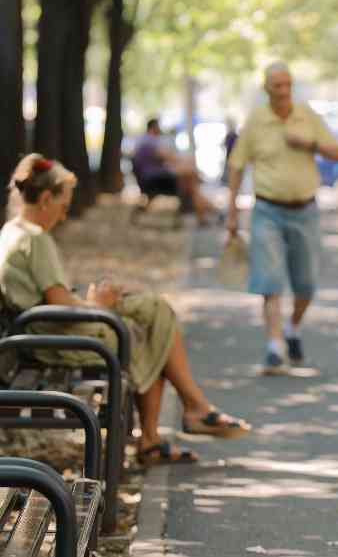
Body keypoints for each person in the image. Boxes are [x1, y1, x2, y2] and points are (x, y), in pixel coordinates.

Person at [0, 154, 251, 465]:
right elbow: (58, 301)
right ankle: (180, 418)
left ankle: (177, 421)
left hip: (43, 333)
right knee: (150, 328)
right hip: (56, 339)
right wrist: (96, 304)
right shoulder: (35, 239)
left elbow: (53, 297)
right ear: (46, 198)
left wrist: (97, 301)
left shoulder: (12, 231)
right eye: (64, 207)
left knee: (153, 314)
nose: (64, 216)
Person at [225, 61, 338, 375]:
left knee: (305, 286)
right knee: (270, 281)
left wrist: (308, 144)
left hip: (305, 211)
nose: (283, 91)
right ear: (266, 88)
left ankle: (292, 329)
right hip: (267, 211)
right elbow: (237, 165)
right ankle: (274, 346)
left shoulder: (306, 115)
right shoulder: (256, 120)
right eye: (277, 85)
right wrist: (232, 212)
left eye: (287, 84)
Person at [132, 118, 220, 225]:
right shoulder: (149, 141)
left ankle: (204, 212)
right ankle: (206, 212)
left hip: (151, 179)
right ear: (154, 127)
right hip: (153, 181)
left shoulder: (145, 140)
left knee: (190, 180)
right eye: (158, 126)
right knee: (190, 180)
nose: (160, 129)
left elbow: (167, 159)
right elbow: (169, 157)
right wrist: (186, 162)